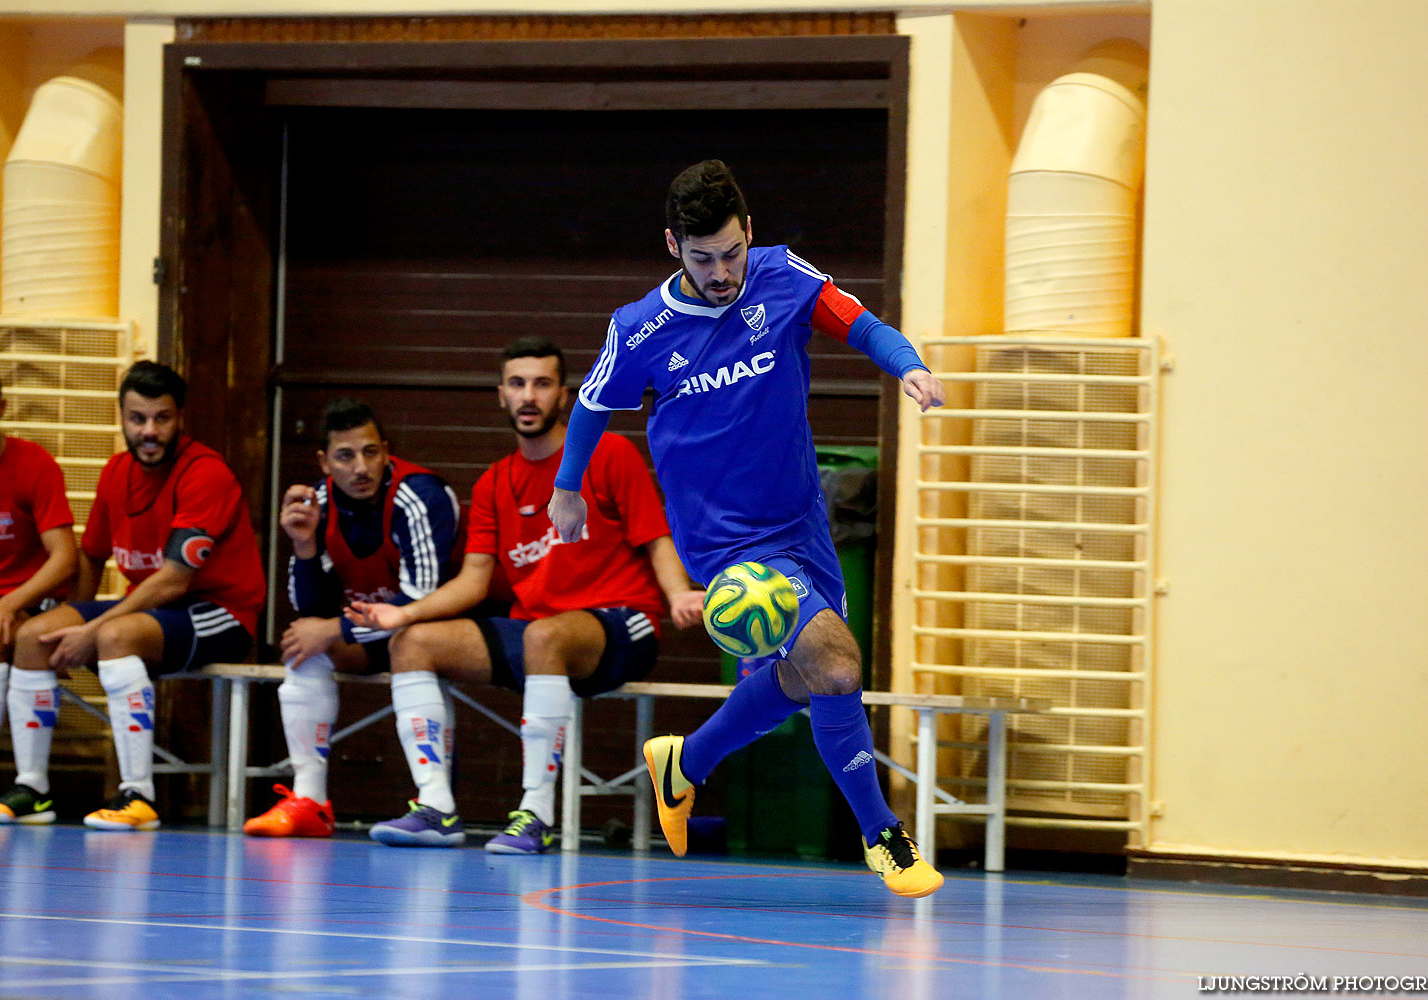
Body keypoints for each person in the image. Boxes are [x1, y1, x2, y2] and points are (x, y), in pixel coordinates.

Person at [548, 160, 948, 897]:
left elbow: (857, 322)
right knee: (836, 666)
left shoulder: (780, 276)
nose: (722, 271)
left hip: (803, 520)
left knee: (798, 682)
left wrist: (908, 366)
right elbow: (595, 404)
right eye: (703, 257)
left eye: (731, 252)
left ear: (750, 235)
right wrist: (568, 487)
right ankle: (883, 837)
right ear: (674, 245)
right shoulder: (641, 327)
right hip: (728, 541)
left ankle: (686, 762)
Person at [350, 335, 703, 853]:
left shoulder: (608, 453)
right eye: (518, 384)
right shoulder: (495, 482)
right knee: (411, 644)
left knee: (542, 636)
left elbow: (656, 539)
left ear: (564, 395)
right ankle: (436, 810)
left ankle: (536, 814)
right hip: (539, 633)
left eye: (542, 383)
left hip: (622, 624)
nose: (529, 395)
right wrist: (399, 615)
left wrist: (678, 595)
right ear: (502, 395)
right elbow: (473, 582)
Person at [0, 361, 266, 831]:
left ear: (180, 418)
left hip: (219, 612)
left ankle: (138, 796)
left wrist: (91, 630)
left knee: (116, 634)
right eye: (137, 418)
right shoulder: (117, 471)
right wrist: (68, 622)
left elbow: (173, 580)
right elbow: (91, 558)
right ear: (122, 418)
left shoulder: (206, 473)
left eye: (161, 418)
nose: (149, 431)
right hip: (154, 614)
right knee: (32, 636)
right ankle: (33, 789)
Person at [242, 398, 461, 838]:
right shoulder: (316, 503)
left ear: (385, 449)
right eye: (345, 456)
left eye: (371, 452)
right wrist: (303, 546)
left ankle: (438, 805)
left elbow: (422, 597)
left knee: (408, 639)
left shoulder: (420, 496)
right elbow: (308, 609)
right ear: (324, 462)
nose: (360, 468)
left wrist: (334, 628)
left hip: (443, 629)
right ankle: (309, 801)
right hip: (373, 629)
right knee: (302, 648)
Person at [0, 370, 79, 817]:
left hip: (28, 597)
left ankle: (32, 787)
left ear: (1, 408)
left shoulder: (33, 465)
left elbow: (65, 558)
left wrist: (10, 602)